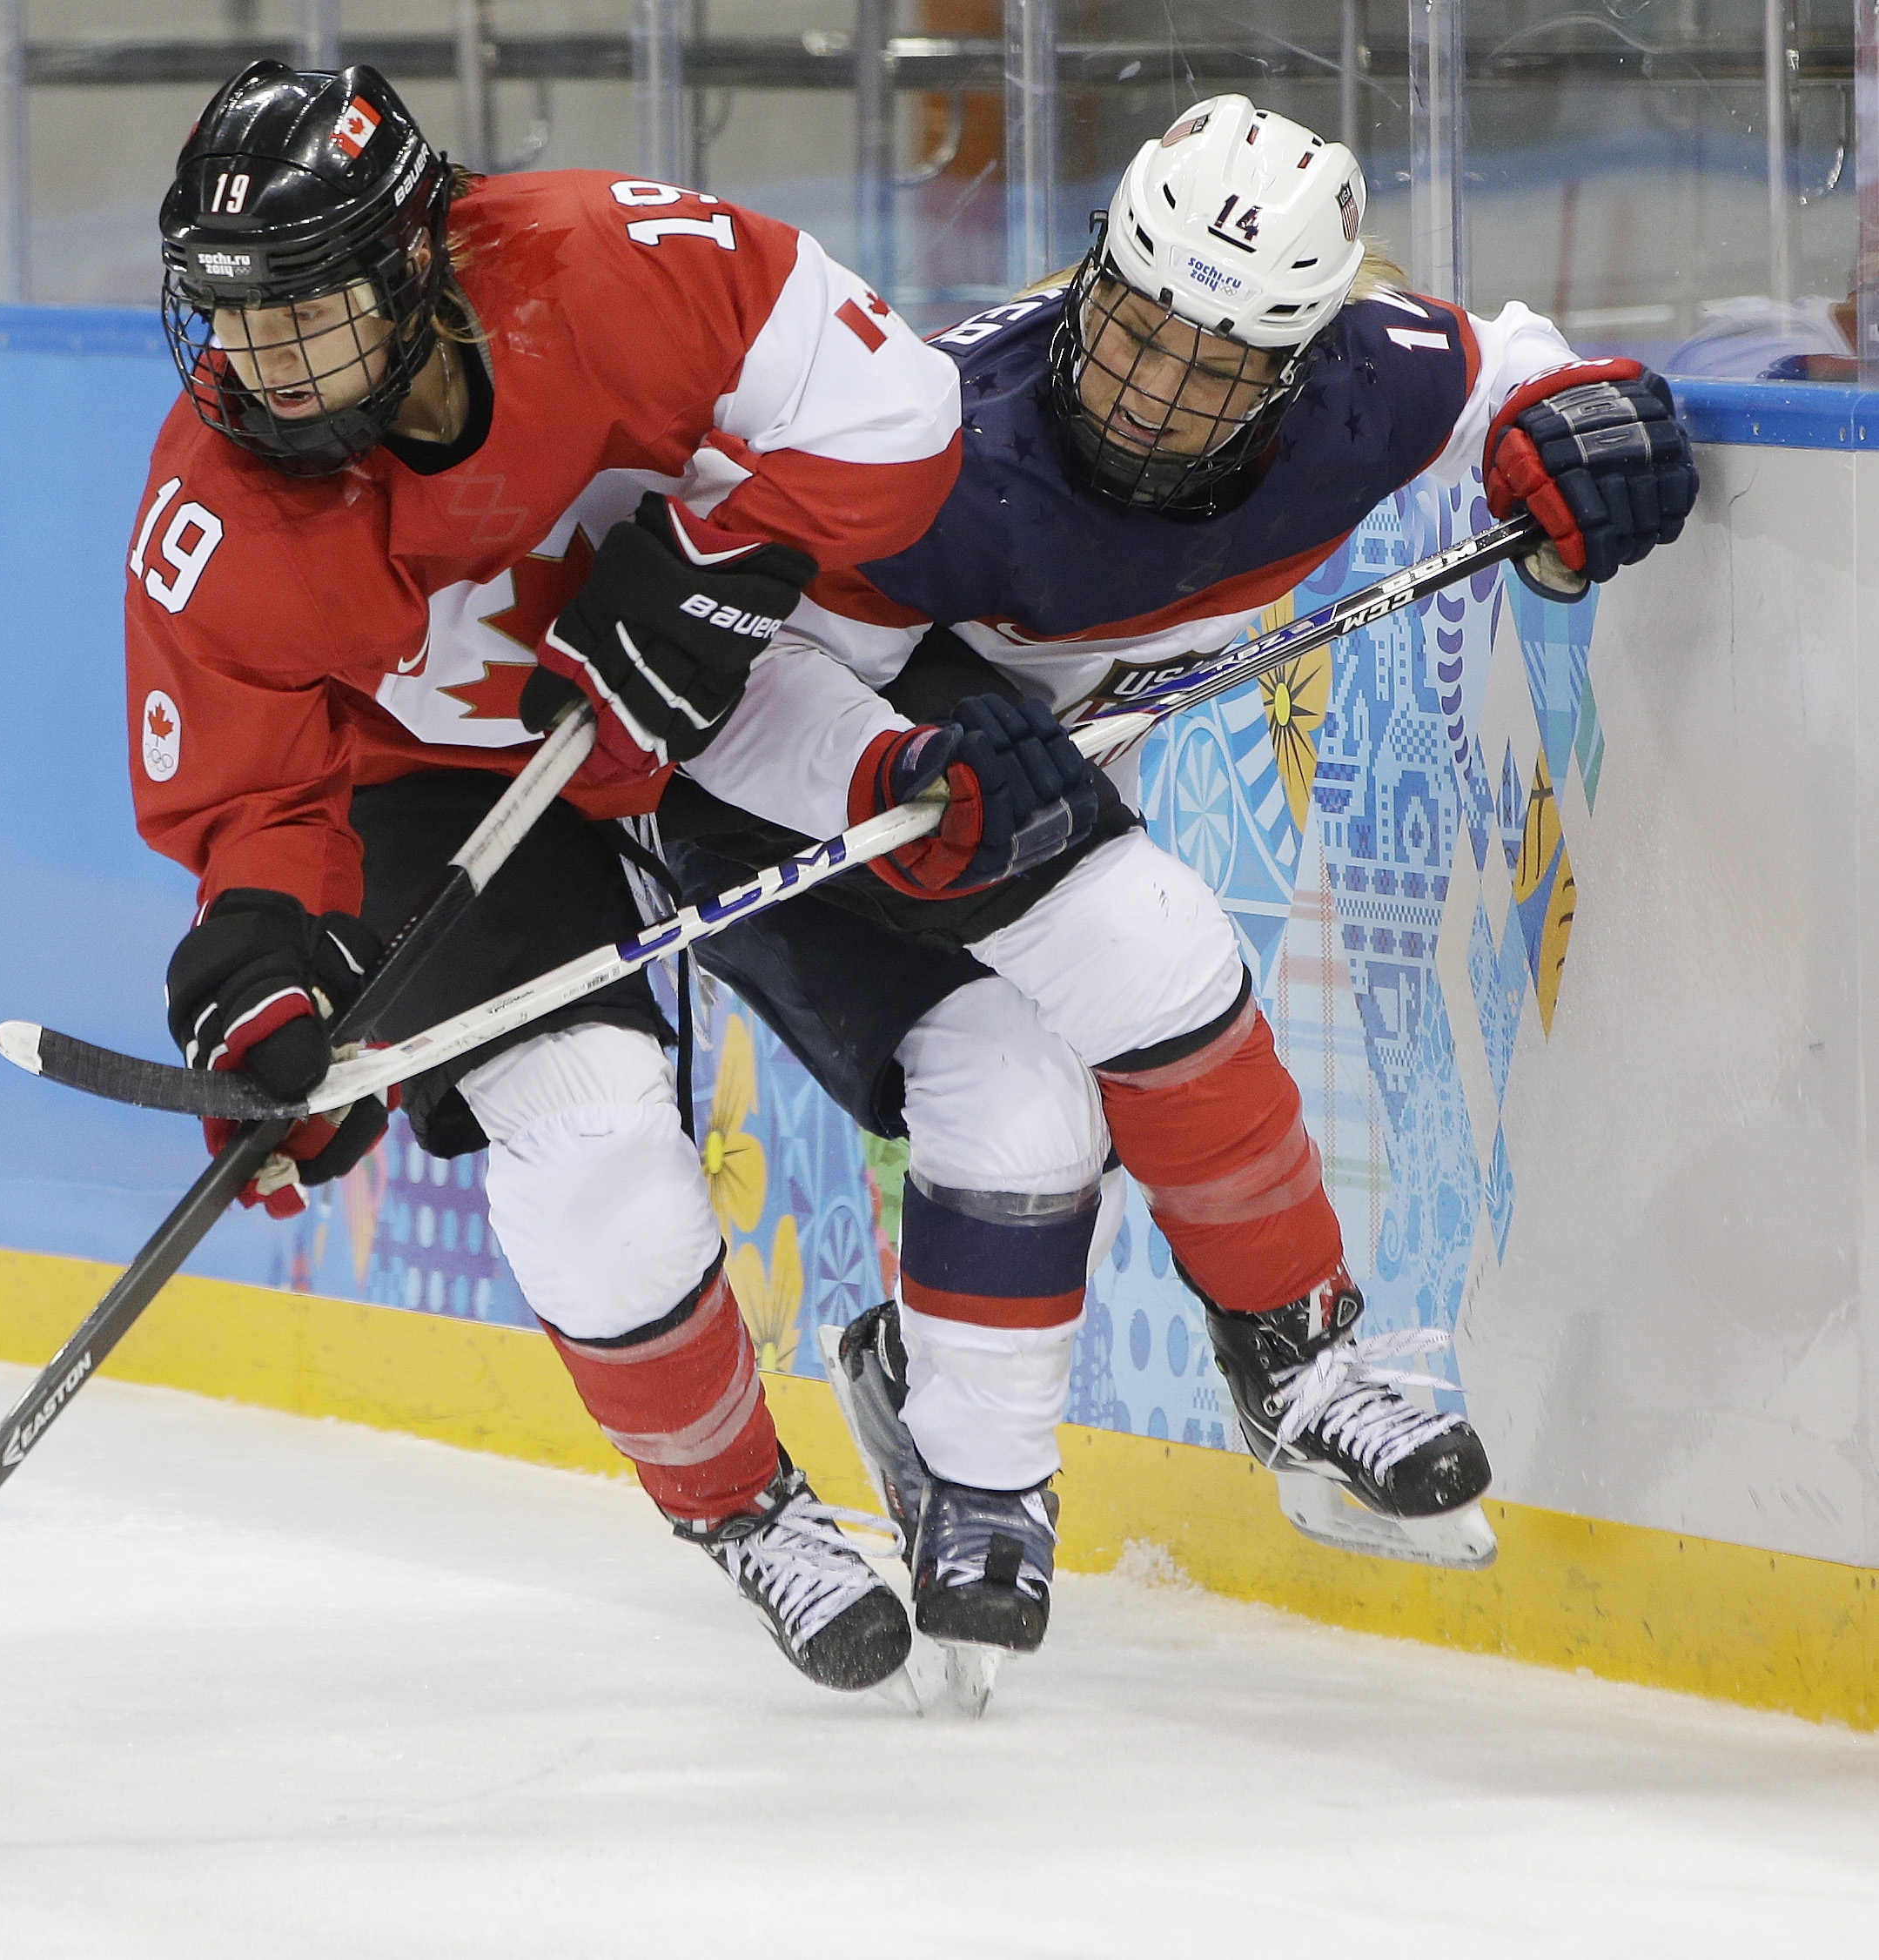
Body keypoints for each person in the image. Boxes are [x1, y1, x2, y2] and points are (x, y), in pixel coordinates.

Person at [658, 94, 1700, 1658]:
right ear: (1092, 275)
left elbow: (1508, 372)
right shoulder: (936, 439)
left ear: (1296, 366)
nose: (1154, 390)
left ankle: (974, 1482)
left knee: (1024, 1107)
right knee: (1148, 947)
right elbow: (743, 700)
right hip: (783, 791)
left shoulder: (1368, 385)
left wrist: (1587, 420)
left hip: (990, 779)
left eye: (1218, 369)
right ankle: (1293, 1359)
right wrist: (900, 772)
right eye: (1137, 333)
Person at [122, 61, 967, 1692]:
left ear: (417, 259)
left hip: (738, 701)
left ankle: (966, 1410)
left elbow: (903, 412)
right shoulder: (220, 499)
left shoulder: (608, 262)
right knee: (585, 1139)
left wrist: (725, 565)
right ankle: (745, 1513)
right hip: (446, 794)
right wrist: (261, 971)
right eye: (231, 314)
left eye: (302, 308)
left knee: (1003, 1008)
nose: (260, 363)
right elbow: (254, 801)